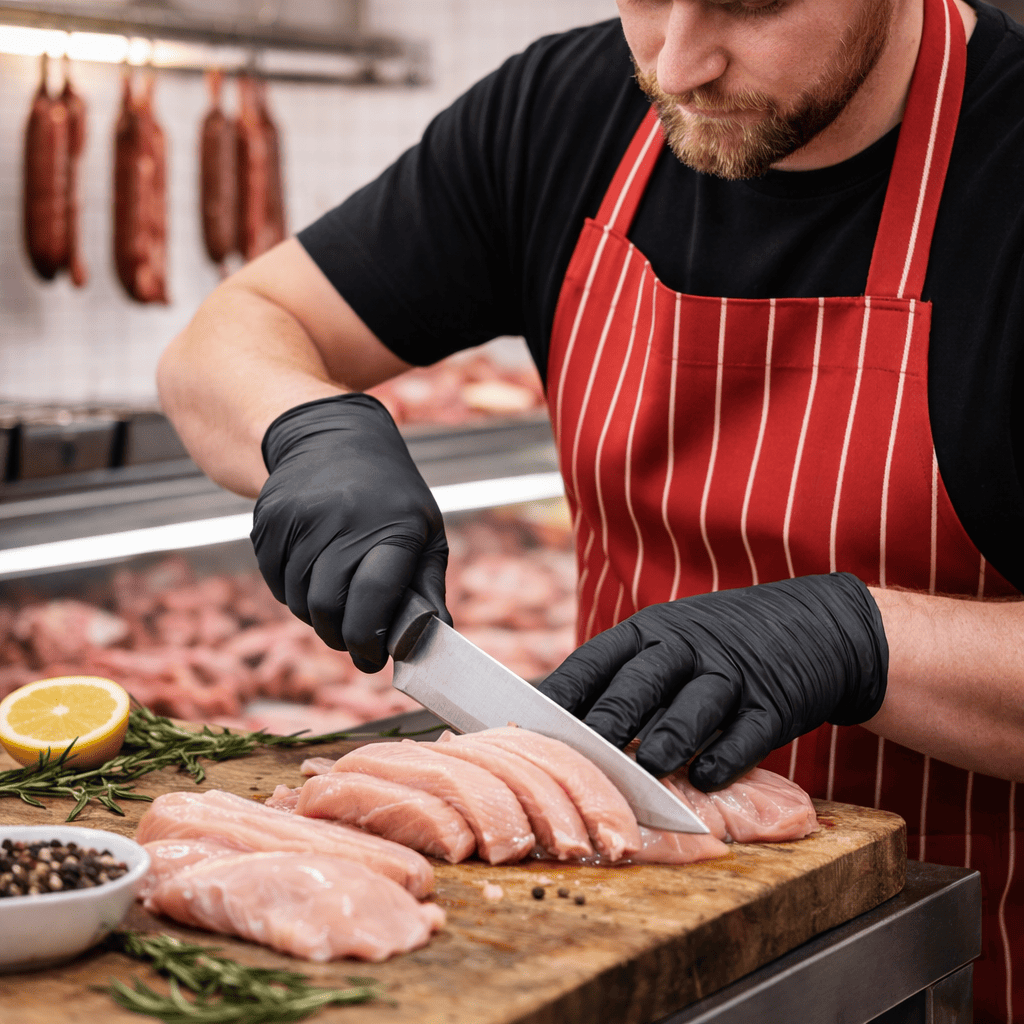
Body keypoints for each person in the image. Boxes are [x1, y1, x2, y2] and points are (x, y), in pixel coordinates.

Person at [158, 0, 1024, 1018]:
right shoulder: (563, 114)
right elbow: (234, 332)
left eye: (750, 3)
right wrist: (305, 428)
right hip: (617, 925)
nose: (678, 62)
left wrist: (862, 638)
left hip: (954, 959)